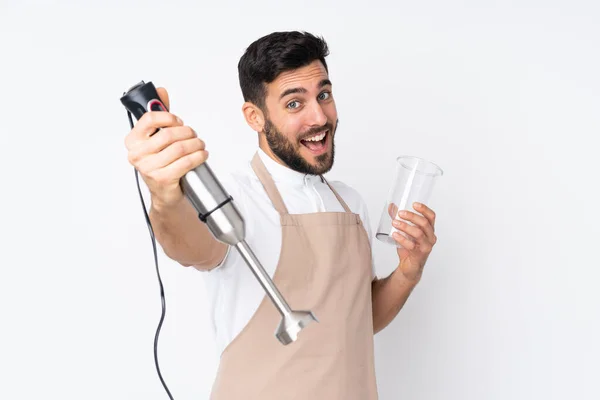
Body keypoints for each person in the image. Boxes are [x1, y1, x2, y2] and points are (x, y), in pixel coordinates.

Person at [124, 31, 438, 399]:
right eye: (294, 104)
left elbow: (359, 320)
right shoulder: (232, 197)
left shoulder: (350, 204)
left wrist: (408, 270)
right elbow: (188, 247)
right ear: (255, 117)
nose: (319, 116)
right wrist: (163, 195)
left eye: (324, 95)